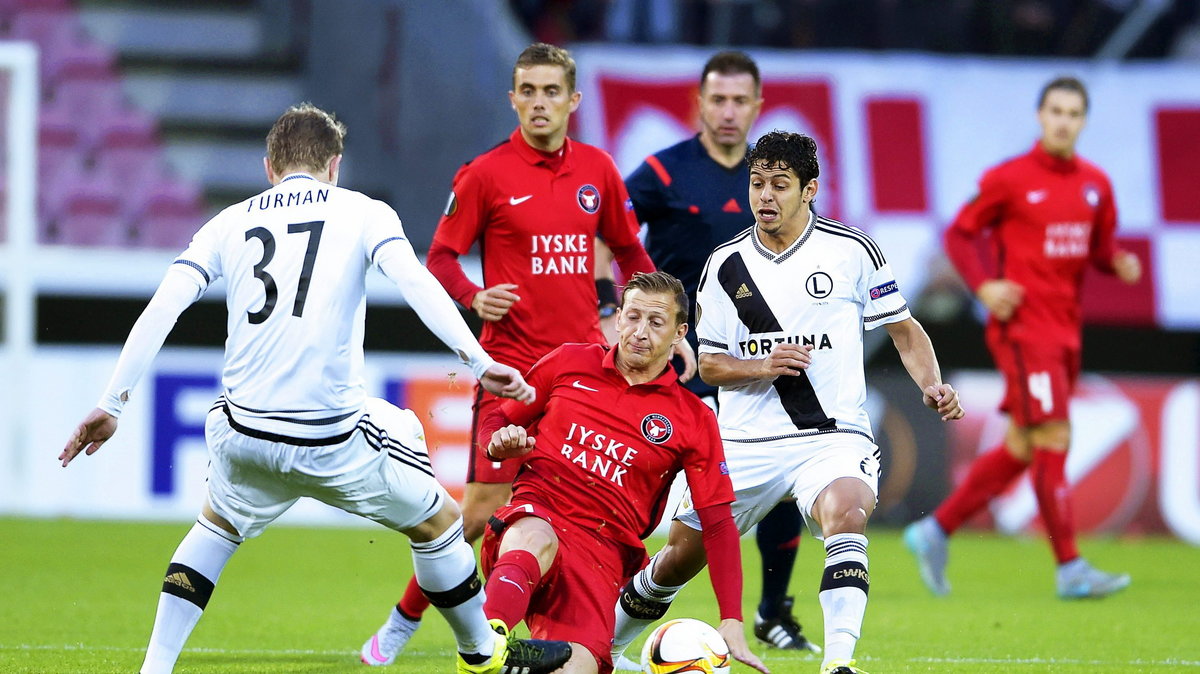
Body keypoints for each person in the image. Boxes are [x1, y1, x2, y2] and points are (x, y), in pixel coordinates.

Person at [58, 104, 572, 674]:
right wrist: (476, 360)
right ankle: (482, 653)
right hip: (330, 436)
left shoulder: (228, 221)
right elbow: (413, 281)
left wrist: (112, 403)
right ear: (334, 165)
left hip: (242, 430)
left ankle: (154, 668)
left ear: (268, 166)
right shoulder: (362, 211)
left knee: (217, 526)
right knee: (441, 520)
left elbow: (164, 306)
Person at [360, 42, 675, 667]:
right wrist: (476, 297)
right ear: (513, 98)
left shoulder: (599, 171)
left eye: (551, 91)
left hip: (587, 375)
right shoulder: (484, 173)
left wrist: (635, 315)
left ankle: (588, 638)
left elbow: (630, 252)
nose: (539, 103)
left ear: (573, 100)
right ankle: (402, 621)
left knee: (583, 520)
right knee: (477, 512)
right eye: (527, 91)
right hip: (513, 374)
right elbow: (439, 260)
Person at [609, 131, 964, 674]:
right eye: (757, 184)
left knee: (846, 513)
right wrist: (764, 365)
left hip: (830, 436)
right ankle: (603, 647)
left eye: (779, 185)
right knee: (678, 560)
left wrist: (931, 384)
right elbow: (710, 366)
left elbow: (903, 329)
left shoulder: (852, 252)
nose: (765, 197)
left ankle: (839, 664)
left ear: (810, 189)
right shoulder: (725, 265)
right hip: (745, 441)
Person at [903, 76, 1142, 600]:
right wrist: (984, 285)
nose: (1063, 121)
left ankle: (934, 529)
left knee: (1022, 445)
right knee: (1055, 438)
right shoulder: (1010, 179)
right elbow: (959, 232)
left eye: (1073, 113)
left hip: (1066, 330)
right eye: (1055, 110)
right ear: (1040, 115)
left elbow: (1099, 248)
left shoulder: (1096, 184)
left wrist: (1116, 262)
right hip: (1023, 330)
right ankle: (1070, 567)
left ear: (1083, 121)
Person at [620, 50, 815, 658]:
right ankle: (613, 584)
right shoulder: (662, 170)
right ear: (698, 104)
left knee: (781, 475)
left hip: (751, 357)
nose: (729, 111)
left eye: (740, 101)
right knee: (652, 479)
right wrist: (632, 312)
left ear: (757, 106)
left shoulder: (769, 179)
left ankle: (774, 609)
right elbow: (614, 237)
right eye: (717, 99)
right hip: (678, 354)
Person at [478, 271, 768, 674]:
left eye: (656, 322)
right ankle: (486, 644)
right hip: (538, 513)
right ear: (618, 318)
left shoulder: (693, 418)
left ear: (679, 333)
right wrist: (497, 441)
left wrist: (732, 618)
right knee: (535, 533)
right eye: (632, 317)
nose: (639, 332)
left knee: (577, 667)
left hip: (601, 555)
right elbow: (495, 422)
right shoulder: (568, 362)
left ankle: (504, 661)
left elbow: (717, 522)